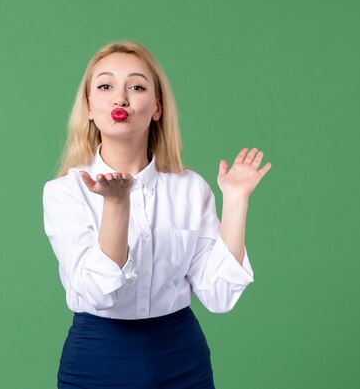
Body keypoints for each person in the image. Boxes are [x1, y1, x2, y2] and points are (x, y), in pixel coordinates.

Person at [43, 40, 271, 389]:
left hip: (180, 357)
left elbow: (219, 296)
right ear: (89, 107)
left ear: (157, 108)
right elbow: (99, 293)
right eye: (105, 86)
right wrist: (117, 204)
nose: (121, 98)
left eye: (136, 86)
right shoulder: (64, 192)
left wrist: (236, 200)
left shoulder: (190, 189)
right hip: (98, 358)